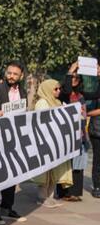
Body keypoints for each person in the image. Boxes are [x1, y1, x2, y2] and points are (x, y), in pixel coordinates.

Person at [0, 60, 28, 224]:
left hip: (14, 138)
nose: (11, 76)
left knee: (13, 172)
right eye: (9, 72)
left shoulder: (23, 91)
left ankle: (7, 207)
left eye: (15, 74)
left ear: (21, 76)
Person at [33, 79, 73, 208]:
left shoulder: (57, 102)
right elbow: (43, 122)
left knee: (54, 171)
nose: (58, 91)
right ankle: (42, 198)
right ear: (48, 89)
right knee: (45, 172)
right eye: (55, 89)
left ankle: (50, 197)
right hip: (45, 142)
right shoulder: (42, 103)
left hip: (56, 142)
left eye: (59, 89)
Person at [59, 62, 89, 201]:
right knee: (66, 165)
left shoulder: (81, 95)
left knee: (78, 164)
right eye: (72, 77)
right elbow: (67, 88)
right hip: (66, 135)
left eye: (77, 77)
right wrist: (71, 70)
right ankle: (65, 192)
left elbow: (97, 93)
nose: (74, 79)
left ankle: (75, 193)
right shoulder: (63, 95)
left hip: (80, 134)